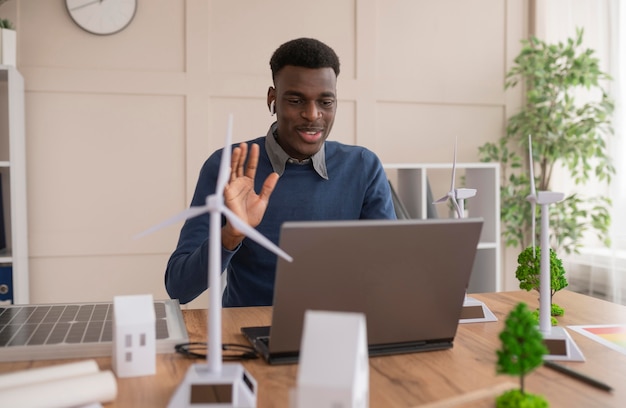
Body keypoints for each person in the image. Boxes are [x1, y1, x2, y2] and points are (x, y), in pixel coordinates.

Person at [166, 38, 396, 307]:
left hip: (339, 329)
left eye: (325, 102)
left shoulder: (363, 166)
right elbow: (179, 287)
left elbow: (389, 271)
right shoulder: (228, 166)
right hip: (249, 334)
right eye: (296, 100)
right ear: (272, 99)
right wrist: (232, 234)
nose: (312, 115)